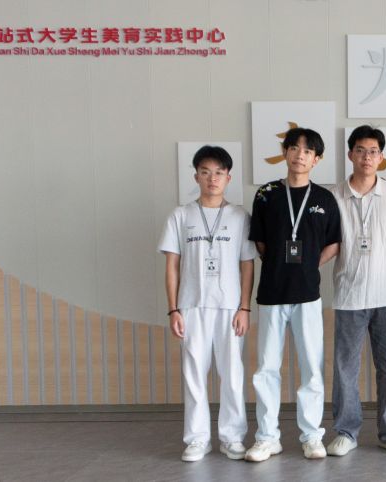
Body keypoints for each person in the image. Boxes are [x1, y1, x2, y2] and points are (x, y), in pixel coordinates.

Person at [245, 127, 341, 462]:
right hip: (271, 293)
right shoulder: (267, 194)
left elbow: (333, 243)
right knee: (266, 370)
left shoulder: (324, 199)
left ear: (317, 159)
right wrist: (278, 263)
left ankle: (312, 436)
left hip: (308, 295)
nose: (300, 155)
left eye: (308, 151)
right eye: (294, 148)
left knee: (311, 368)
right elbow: (260, 242)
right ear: (285, 152)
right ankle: (267, 438)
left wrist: (310, 265)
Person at [157, 145, 256, 462]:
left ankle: (232, 437)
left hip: (230, 308)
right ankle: (197, 439)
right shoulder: (180, 215)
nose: (212, 178)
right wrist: (174, 309)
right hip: (192, 306)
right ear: (196, 176)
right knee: (194, 375)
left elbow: (247, 264)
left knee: (232, 374)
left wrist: (244, 307)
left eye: (218, 173)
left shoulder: (240, 216)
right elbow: (172, 266)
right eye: (205, 172)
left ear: (228, 177)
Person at [327, 125, 386, 456]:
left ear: (381, 157)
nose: (367, 157)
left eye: (373, 151)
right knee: (345, 368)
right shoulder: (334, 196)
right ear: (350, 154)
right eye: (361, 150)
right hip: (348, 295)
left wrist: (379, 264)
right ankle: (346, 432)